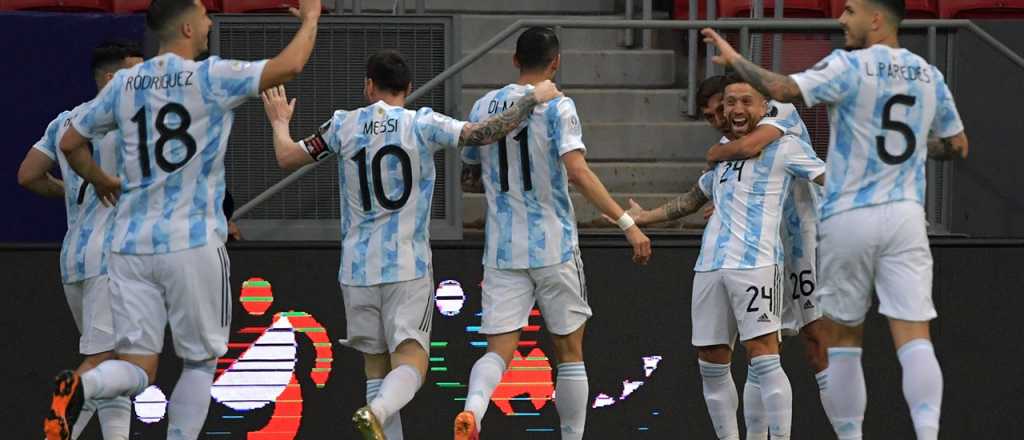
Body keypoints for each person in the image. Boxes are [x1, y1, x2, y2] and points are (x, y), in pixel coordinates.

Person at [47, 0, 324, 438]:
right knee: (199, 362)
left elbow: (69, 142)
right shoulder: (210, 77)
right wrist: (311, 18)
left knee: (138, 366)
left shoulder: (125, 84)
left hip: (130, 245)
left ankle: (86, 384)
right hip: (192, 240)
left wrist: (102, 180)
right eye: (204, 14)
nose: (211, 21)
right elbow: (289, 67)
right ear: (188, 28)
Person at [259, 49, 565, 439]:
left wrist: (279, 122)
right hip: (406, 266)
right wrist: (530, 100)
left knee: (376, 368)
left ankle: (376, 409)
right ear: (408, 88)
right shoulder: (423, 123)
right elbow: (483, 133)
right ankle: (377, 410)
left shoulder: (341, 125)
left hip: (356, 270)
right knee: (412, 364)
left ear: (368, 86)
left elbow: (286, 157)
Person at [702, 0, 968, 438]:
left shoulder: (842, 69)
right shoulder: (928, 74)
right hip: (902, 212)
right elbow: (957, 146)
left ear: (876, 18)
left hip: (838, 218)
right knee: (914, 336)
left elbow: (783, 91)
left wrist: (735, 61)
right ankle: (926, 431)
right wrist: (913, 148)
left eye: (849, 10)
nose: (841, 19)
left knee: (838, 342)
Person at [453, 26, 652, 440]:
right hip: (554, 246)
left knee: (498, 351)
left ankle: (473, 410)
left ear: (514, 60)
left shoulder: (484, 105)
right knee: (569, 351)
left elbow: (468, 173)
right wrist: (627, 222)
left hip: (503, 248)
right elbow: (577, 171)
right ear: (556, 62)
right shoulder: (559, 106)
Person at [19, 41, 143, 440]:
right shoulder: (130, 121)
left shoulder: (64, 121)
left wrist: (70, 191)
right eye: (135, 74)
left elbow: (28, 175)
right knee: (104, 361)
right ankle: (60, 423)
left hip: (74, 259)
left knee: (115, 368)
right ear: (111, 79)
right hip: (112, 259)